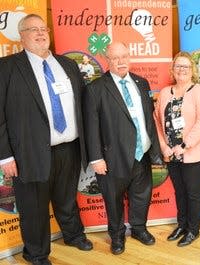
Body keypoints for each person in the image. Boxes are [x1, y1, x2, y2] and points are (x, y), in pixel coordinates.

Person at [0, 14, 93, 265]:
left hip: (69, 148)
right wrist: (5, 155)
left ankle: (73, 234)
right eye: (33, 29)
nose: (40, 33)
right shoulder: (6, 67)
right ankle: (36, 253)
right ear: (22, 36)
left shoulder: (67, 65)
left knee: (66, 198)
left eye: (44, 29)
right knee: (33, 206)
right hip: (28, 152)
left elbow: (82, 106)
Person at [83, 41, 162, 255]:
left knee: (141, 195)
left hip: (141, 154)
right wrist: (96, 158)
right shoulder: (95, 89)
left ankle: (138, 229)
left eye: (124, 56)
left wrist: (154, 149)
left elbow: (148, 119)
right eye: (115, 58)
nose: (121, 62)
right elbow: (91, 127)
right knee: (113, 199)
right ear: (107, 61)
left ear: (129, 57)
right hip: (112, 158)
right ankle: (117, 236)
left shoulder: (142, 83)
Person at [154, 51, 200, 247]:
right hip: (171, 156)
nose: (182, 70)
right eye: (178, 66)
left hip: (193, 154)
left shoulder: (199, 91)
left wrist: (185, 146)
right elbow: (157, 123)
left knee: (193, 193)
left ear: (192, 70)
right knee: (180, 192)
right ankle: (182, 225)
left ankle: (193, 230)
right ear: (172, 70)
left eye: (186, 66)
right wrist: (164, 147)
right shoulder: (164, 93)